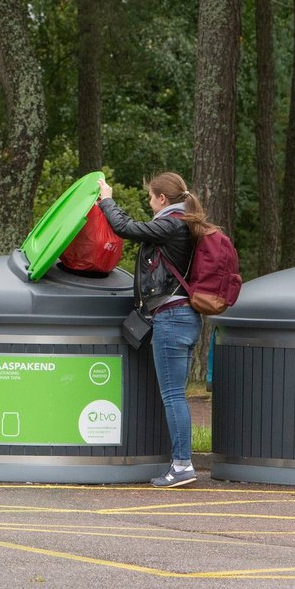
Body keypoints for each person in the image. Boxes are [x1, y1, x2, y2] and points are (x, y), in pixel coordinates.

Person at [97, 171, 215, 487]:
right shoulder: (185, 223)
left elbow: (125, 228)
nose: (150, 203)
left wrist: (107, 200)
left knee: (174, 395)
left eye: (151, 197)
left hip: (172, 318)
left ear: (162, 198)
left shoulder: (171, 224)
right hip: (185, 317)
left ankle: (181, 465)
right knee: (175, 394)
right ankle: (181, 463)